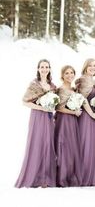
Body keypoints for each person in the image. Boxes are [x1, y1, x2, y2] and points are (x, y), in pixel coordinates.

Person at [15, 59, 57, 188]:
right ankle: (34, 177)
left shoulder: (52, 86)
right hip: (38, 116)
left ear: (49, 69)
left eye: (46, 67)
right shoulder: (34, 84)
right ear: (38, 69)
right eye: (42, 67)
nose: (44, 69)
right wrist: (41, 108)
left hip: (49, 117)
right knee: (37, 143)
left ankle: (46, 179)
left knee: (48, 144)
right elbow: (25, 102)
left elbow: (54, 102)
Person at [75, 59, 95, 186]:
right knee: (85, 145)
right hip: (87, 117)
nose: (92, 68)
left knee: (93, 145)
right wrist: (92, 114)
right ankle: (83, 177)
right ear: (85, 67)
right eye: (90, 65)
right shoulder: (83, 80)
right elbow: (83, 99)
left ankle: (91, 177)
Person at [54, 65, 82, 187]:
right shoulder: (60, 89)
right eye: (66, 73)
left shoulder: (74, 89)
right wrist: (74, 112)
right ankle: (62, 177)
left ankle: (71, 176)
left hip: (73, 121)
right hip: (64, 120)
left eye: (71, 73)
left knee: (72, 147)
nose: (69, 75)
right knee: (63, 147)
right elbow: (59, 108)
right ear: (62, 75)